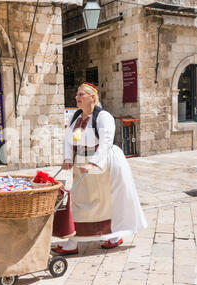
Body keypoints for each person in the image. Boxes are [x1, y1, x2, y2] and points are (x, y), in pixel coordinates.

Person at [52, 82, 148, 255]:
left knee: (102, 202)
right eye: (77, 94)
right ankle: (76, 240)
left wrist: (93, 163)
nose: (77, 97)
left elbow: (105, 143)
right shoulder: (76, 116)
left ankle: (107, 236)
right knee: (79, 202)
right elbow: (68, 139)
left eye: (81, 94)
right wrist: (67, 158)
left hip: (101, 163)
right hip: (82, 161)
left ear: (92, 97)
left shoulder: (103, 116)